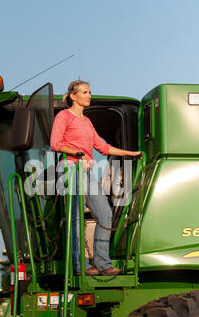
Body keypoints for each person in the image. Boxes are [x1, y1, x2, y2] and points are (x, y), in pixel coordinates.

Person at [50, 80, 141, 276]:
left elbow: (104, 148)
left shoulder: (87, 122)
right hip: (71, 169)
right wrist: (76, 152)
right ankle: (78, 264)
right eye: (85, 92)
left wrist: (130, 153)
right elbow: (55, 143)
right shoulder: (64, 116)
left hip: (88, 171)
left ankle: (102, 262)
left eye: (90, 92)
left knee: (105, 214)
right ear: (73, 96)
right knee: (75, 218)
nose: (89, 95)